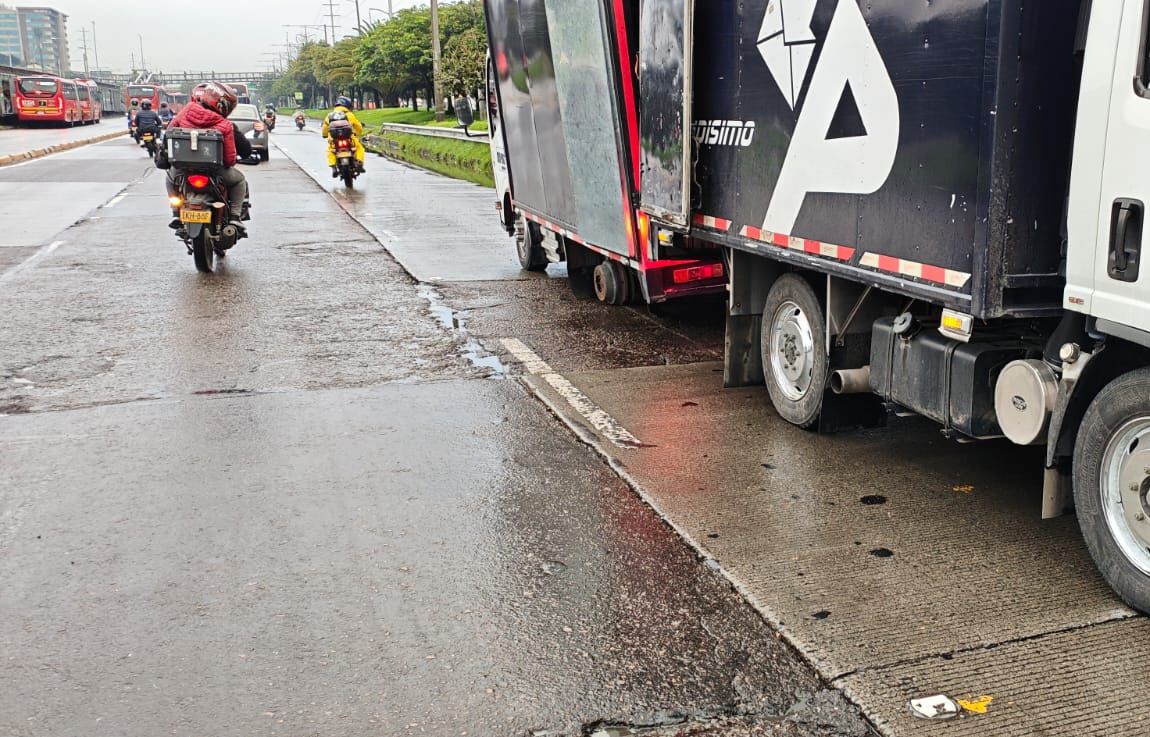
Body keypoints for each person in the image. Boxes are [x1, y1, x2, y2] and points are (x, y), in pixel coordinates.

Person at [165, 82, 248, 235]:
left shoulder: (186, 110)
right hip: (215, 172)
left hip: (183, 169)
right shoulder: (225, 124)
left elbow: (168, 134)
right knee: (239, 181)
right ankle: (235, 217)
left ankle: (176, 212)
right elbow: (229, 159)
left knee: (170, 178)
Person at [321, 95, 365, 176]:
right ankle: (359, 163)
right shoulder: (350, 115)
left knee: (331, 151)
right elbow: (358, 127)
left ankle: (333, 167)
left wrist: (324, 135)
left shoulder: (329, 115)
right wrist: (358, 134)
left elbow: (325, 127)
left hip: (334, 140)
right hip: (350, 139)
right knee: (359, 148)